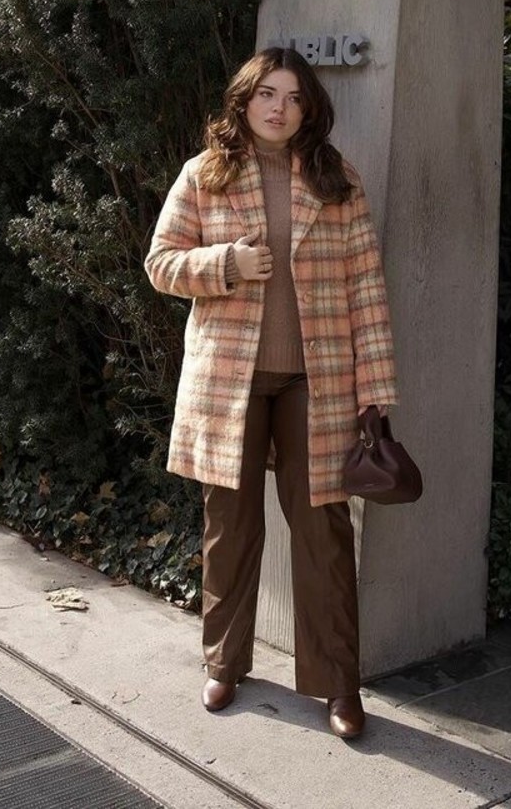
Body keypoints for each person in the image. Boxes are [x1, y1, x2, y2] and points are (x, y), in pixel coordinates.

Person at [144, 46, 397, 740]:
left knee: (324, 530)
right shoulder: (206, 174)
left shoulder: (336, 178)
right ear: (244, 100)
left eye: (292, 97)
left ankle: (339, 685)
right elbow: (160, 263)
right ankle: (224, 663)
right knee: (230, 526)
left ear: (308, 108)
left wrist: (376, 389)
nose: (279, 108)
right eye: (267, 94)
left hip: (317, 378)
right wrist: (225, 262)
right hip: (230, 379)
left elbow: (366, 286)